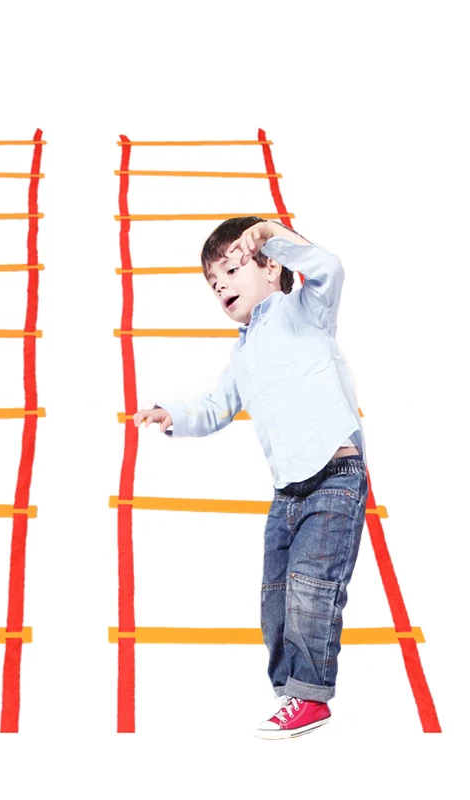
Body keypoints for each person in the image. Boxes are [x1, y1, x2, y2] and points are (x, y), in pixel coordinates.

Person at [134, 216, 368, 739]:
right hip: (288, 490)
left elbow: (328, 268)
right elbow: (216, 406)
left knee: (312, 587)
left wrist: (271, 235)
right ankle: (291, 691)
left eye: (231, 270)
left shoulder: (304, 310)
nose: (221, 286)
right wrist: (172, 414)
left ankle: (311, 697)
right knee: (276, 595)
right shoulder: (242, 351)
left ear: (271, 268)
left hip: (335, 476)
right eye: (213, 282)